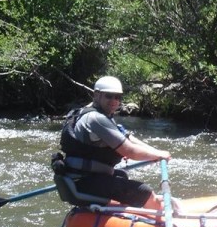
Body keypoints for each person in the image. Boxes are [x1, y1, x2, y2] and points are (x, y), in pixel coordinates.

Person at [56, 75, 171, 209]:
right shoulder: (96, 119)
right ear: (96, 95)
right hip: (83, 180)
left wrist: (156, 152)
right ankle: (164, 218)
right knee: (144, 192)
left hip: (83, 177)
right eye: (109, 96)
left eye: (117, 97)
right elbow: (129, 151)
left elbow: (128, 138)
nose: (114, 101)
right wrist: (158, 155)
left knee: (121, 175)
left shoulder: (96, 113)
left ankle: (138, 210)